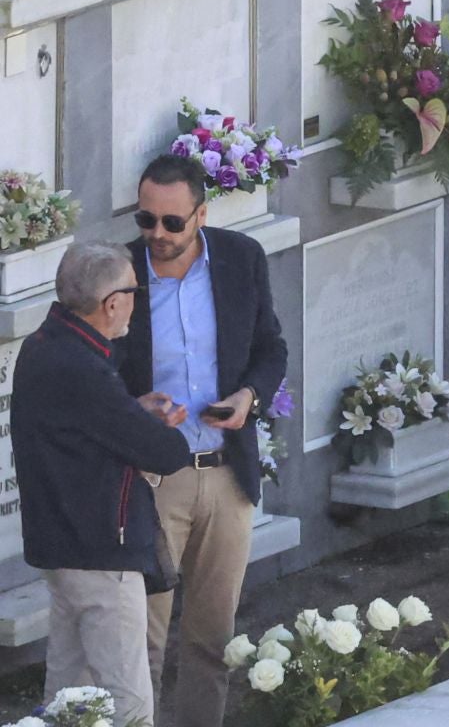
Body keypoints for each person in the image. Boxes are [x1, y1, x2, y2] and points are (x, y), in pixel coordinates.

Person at [118, 155, 288, 727]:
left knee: (212, 641)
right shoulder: (118, 274)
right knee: (141, 643)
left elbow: (271, 348)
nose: (157, 235)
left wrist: (250, 399)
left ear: (201, 213)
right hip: (152, 478)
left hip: (225, 471)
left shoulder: (240, 259)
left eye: (172, 223)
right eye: (146, 220)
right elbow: (96, 377)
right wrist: (135, 410)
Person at [15, 243, 192, 727]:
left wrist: (131, 412)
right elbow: (163, 453)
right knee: (127, 702)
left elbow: (80, 428)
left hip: (63, 548)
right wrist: (162, 426)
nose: (137, 300)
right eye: (135, 290)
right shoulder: (85, 368)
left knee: (69, 700)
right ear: (113, 302)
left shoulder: (42, 346)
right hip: (101, 554)